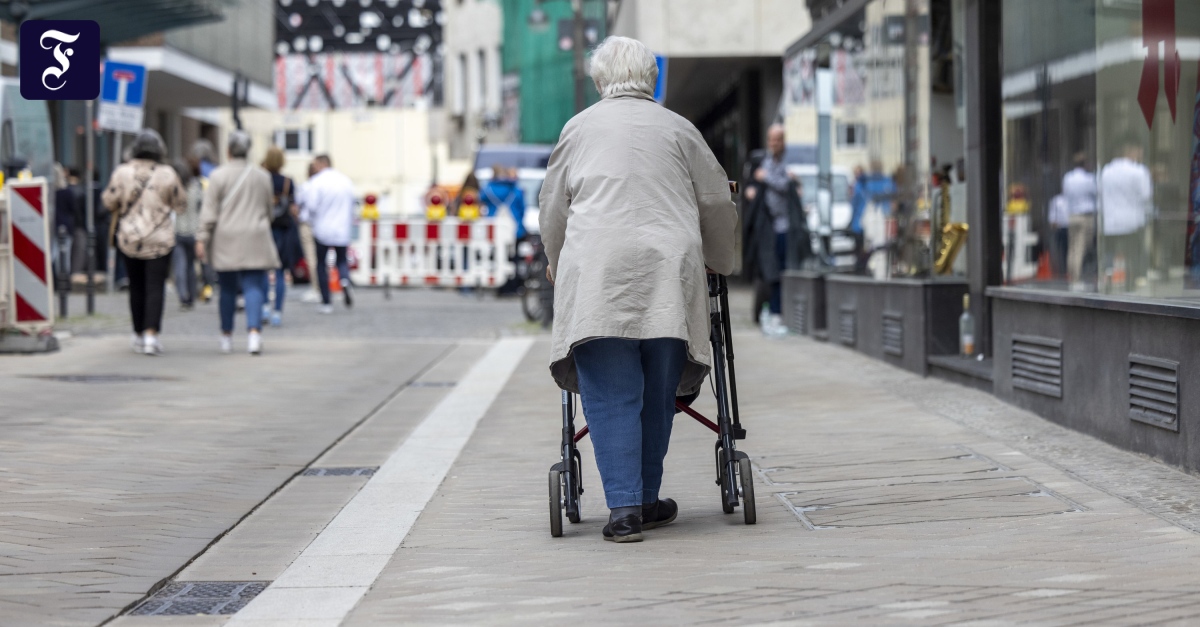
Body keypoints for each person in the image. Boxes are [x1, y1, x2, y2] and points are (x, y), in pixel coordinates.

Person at [540, 36, 737, 543]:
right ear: (650, 77)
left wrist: (554, 260)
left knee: (610, 393)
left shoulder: (578, 129)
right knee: (657, 391)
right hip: (669, 272)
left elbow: (553, 208)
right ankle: (646, 499)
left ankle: (624, 510)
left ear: (601, 80)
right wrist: (720, 261)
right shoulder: (679, 128)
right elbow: (716, 201)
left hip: (597, 273)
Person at [196, 130, 280, 355]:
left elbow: (209, 211)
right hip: (255, 234)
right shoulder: (262, 176)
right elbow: (269, 210)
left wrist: (202, 237)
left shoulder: (218, 176)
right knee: (253, 285)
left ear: (228, 151)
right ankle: (254, 334)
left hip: (226, 237)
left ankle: (226, 336)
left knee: (227, 288)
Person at [101, 129, 184, 356]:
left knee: (136, 286)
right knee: (156, 287)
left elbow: (108, 201)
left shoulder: (122, 172)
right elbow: (181, 203)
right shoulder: (168, 174)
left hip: (130, 237)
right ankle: (151, 335)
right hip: (160, 238)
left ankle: (137, 334)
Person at [742, 124, 809, 330]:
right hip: (767, 227)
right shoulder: (762, 162)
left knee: (781, 270)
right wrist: (751, 191)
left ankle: (777, 312)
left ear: (783, 141)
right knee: (766, 270)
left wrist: (769, 179)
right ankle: (768, 311)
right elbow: (752, 184)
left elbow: (786, 186)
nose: (774, 143)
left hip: (784, 227)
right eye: (771, 139)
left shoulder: (787, 164)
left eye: (777, 139)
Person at [303, 154, 356, 313]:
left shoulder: (316, 182)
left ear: (321, 164)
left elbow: (311, 206)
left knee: (321, 264)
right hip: (341, 229)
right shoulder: (345, 180)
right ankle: (345, 280)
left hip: (322, 229)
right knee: (341, 261)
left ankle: (326, 302)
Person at [1099, 143, 1152, 292]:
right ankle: (1131, 281)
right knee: (1132, 252)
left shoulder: (1106, 171)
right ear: (1132, 151)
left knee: (1109, 253)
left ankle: (1107, 279)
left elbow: (1100, 194)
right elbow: (1146, 195)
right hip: (1132, 220)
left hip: (1110, 220)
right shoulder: (1138, 171)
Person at [262, 146, 298, 326]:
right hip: (284, 230)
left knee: (262, 270)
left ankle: (263, 306)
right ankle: (277, 311)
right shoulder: (288, 182)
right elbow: (293, 208)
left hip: (265, 228)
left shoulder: (261, 180)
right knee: (280, 272)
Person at [850, 160, 896, 275]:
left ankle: (864, 273)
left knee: (865, 253)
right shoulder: (887, 182)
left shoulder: (863, 183)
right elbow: (893, 203)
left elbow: (855, 204)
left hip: (862, 225)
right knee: (880, 252)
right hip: (878, 223)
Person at [187, 140, 219, 303]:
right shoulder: (215, 171)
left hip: (194, 222)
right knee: (207, 259)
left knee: (192, 260)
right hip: (211, 220)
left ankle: (196, 290)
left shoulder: (194, 172)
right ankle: (208, 288)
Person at [1063, 153, 1097, 289]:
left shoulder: (1068, 178)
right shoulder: (1088, 179)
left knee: (1072, 247)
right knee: (1081, 247)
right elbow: (1095, 193)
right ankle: (1076, 279)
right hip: (1085, 216)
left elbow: (1066, 194)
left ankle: (1072, 276)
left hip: (1072, 215)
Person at [171, 159, 201, 309]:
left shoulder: (173, 190)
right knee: (190, 267)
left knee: (180, 267)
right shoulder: (197, 187)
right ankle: (191, 296)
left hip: (177, 232)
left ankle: (183, 295)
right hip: (193, 232)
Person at [482, 164, 527, 237]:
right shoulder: (516, 190)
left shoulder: (488, 189)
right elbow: (522, 209)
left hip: (493, 224)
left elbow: (481, 198)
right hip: (513, 225)